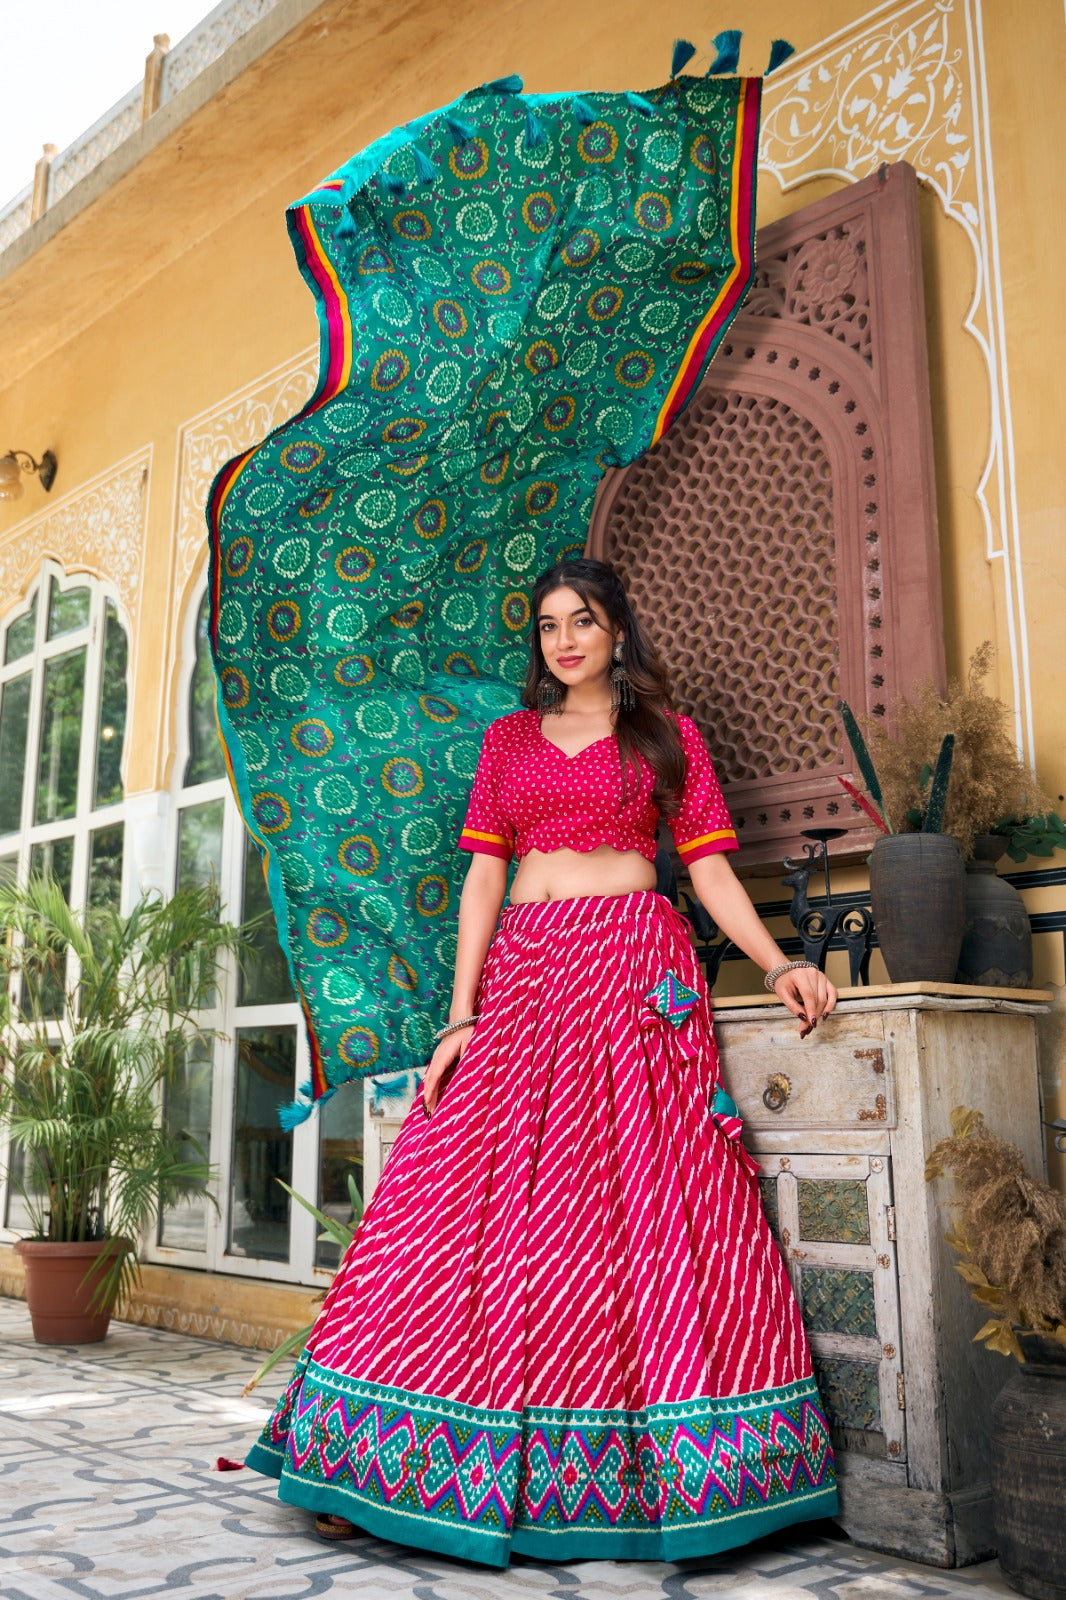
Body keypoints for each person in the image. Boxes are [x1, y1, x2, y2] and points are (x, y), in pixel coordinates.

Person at [246, 557, 839, 1566]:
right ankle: (377, 1459)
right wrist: (456, 1016)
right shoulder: (508, 740)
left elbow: (705, 867)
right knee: (454, 1195)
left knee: (641, 1200)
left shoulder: (668, 736)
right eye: (548, 626)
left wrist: (779, 959)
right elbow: (484, 875)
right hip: (524, 972)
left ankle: (677, 1476)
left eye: (584, 622)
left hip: (632, 971)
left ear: (618, 632)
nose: (563, 640)